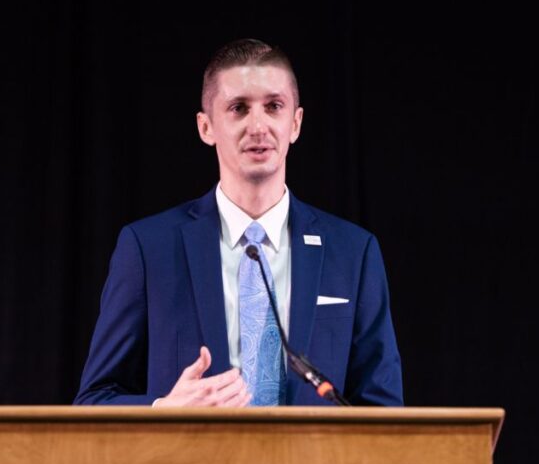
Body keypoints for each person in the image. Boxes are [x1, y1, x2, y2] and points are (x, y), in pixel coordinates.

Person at [74, 39, 402, 407]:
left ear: (295, 123)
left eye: (274, 106)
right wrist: (163, 410)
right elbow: (93, 402)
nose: (258, 125)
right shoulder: (148, 249)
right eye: (238, 108)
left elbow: (383, 409)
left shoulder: (354, 253)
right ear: (206, 127)